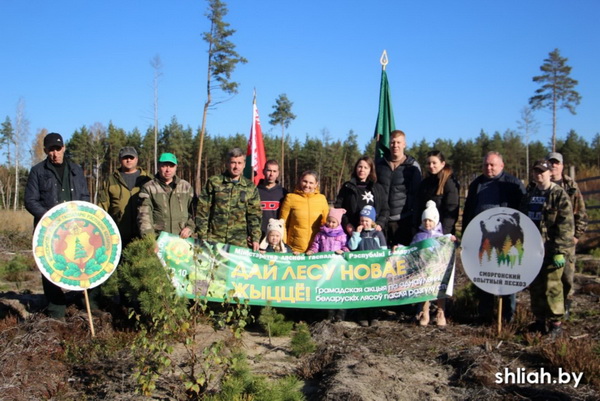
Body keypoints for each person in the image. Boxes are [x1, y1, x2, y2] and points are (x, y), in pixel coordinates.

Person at [24, 132, 92, 319]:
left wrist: (82, 218)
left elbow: (85, 197)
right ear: (46, 150)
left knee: (85, 263)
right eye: (51, 149)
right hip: (49, 232)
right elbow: (30, 200)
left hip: (75, 229)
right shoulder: (38, 171)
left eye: (58, 148)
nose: (55, 153)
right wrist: (50, 218)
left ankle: (89, 304)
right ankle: (56, 310)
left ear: (64, 148)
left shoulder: (76, 170)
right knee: (51, 270)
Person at [462, 151, 526, 323]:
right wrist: (466, 235)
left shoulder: (513, 184)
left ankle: (507, 316)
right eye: (486, 165)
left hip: (506, 240)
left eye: (492, 165)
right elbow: (469, 209)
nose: (488, 168)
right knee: (483, 274)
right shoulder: (477, 184)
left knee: (506, 274)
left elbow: (523, 211)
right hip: (483, 237)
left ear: (501, 166)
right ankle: (485, 313)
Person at [521, 160, 574, 338]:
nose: (539, 175)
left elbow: (565, 225)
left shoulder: (559, 194)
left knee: (553, 287)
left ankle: (555, 324)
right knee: (536, 286)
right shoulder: (530, 194)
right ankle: (539, 320)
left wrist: (559, 251)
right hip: (532, 249)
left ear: (550, 173)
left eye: (542, 171)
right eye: (536, 171)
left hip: (551, 249)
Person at [546, 152, 588, 319]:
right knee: (546, 279)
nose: (553, 166)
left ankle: (566, 307)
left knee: (566, 277)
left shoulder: (571, 186)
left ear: (562, 165)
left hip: (566, 242)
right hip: (546, 241)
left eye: (556, 163)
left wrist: (576, 236)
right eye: (550, 162)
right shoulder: (540, 184)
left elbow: (581, 214)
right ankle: (549, 312)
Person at [196, 148, 262, 250]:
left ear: (244, 165)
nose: (236, 167)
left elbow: (254, 215)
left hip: (239, 242)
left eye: (239, 163)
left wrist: (255, 238)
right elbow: (203, 210)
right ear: (227, 164)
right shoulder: (214, 182)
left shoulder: (250, 187)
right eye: (233, 163)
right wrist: (202, 236)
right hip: (214, 239)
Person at [376, 130, 422, 246]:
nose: (395, 145)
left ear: (404, 144)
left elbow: (417, 194)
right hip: (381, 221)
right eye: (392, 142)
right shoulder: (380, 165)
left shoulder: (413, 166)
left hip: (403, 221)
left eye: (398, 142)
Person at [98, 146, 151, 246]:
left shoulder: (147, 179)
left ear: (137, 159)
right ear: (120, 159)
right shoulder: (111, 180)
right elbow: (102, 207)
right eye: (125, 157)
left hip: (142, 234)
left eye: (131, 157)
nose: (128, 160)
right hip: (117, 234)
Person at [138, 152, 195, 239]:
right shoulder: (148, 188)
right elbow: (144, 217)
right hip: (159, 240)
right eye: (164, 166)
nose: (168, 170)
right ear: (158, 166)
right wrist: (150, 240)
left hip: (182, 240)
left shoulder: (185, 187)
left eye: (171, 166)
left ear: (176, 167)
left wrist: (190, 227)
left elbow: (195, 212)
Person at [347, 205, 387, 327]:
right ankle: (362, 314)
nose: (364, 223)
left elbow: (384, 249)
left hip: (375, 268)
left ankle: (374, 315)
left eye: (367, 221)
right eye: (362, 221)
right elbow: (352, 247)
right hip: (361, 269)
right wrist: (356, 234)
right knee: (362, 291)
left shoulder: (378, 234)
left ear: (372, 221)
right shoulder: (359, 234)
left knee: (374, 291)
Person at [412, 201, 449, 326]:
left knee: (440, 289)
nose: (427, 223)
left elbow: (448, 250)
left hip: (438, 269)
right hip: (424, 269)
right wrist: (399, 248)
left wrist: (453, 241)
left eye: (430, 221)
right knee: (424, 289)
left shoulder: (442, 237)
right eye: (425, 220)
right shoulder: (419, 236)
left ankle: (440, 313)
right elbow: (410, 250)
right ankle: (425, 312)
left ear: (436, 221)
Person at [334, 156, 389, 236]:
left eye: (366, 167)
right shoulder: (347, 187)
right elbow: (339, 208)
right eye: (360, 166)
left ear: (370, 170)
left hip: (372, 233)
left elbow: (385, 210)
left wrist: (380, 224)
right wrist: (347, 224)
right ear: (356, 168)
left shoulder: (378, 188)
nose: (362, 170)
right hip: (352, 232)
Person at [279, 170, 329, 254]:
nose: (307, 185)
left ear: (316, 184)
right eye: (305, 181)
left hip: (315, 250)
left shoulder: (322, 199)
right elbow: (282, 224)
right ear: (300, 181)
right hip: (294, 250)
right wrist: (283, 246)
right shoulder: (290, 198)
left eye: (311, 183)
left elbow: (326, 225)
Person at [415, 150, 460, 236]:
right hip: (425, 232)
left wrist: (443, 234)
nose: (431, 166)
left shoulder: (449, 183)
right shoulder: (424, 183)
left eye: (434, 163)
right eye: (428, 163)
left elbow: (451, 210)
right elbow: (419, 207)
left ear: (442, 164)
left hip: (442, 233)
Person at [257, 160, 288, 239]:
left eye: (274, 171)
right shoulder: (255, 191)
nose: (271, 174)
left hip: (276, 237)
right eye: (269, 170)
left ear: (278, 173)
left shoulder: (284, 193)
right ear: (263, 171)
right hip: (258, 236)